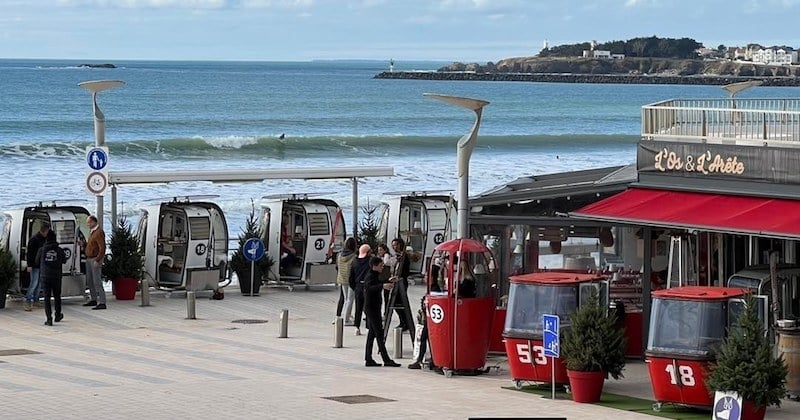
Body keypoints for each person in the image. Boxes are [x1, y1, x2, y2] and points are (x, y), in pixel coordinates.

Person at [363, 256, 401, 368]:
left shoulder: (374, 275)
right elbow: (369, 287)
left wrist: (388, 281)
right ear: (374, 266)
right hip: (372, 308)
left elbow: (377, 283)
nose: (382, 267)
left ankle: (368, 358)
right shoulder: (370, 276)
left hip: (373, 307)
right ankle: (386, 359)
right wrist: (382, 286)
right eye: (380, 265)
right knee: (379, 333)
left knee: (372, 334)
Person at [36, 231, 66, 326]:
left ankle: (49, 319)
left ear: (47, 238)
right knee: (57, 296)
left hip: (45, 276)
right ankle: (58, 314)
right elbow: (64, 261)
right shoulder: (60, 250)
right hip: (56, 276)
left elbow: (36, 261)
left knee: (47, 298)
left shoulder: (42, 250)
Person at [79, 215, 106, 310]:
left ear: (94, 222)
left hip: (95, 258)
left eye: (89, 222)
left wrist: (98, 259)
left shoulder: (99, 233)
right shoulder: (92, 232)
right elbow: (92, 245)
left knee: (97, 280)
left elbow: (102, 248)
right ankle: (93, 298)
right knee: (89, 280)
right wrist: (84, 245)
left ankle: (102, 301)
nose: (88, 225)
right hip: (89, 257)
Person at [24, 222, 50, 311]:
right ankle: (28, 301)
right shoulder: (34, 239)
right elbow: (30, 254)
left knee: (39, 283)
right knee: (34, 283)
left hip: (40, 264)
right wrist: (29, 265)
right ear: (45, 231)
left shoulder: (43, 239)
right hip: (35, 265)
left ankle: (36, 300)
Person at [349, 244, 372, 336]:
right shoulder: (370, 261)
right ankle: (368, 327)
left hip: (358, 286)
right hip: (367, 286)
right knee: (368, 307)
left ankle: (357, 327)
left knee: (358, 307)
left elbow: (351, 277)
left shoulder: (354, 261)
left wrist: (354, 287)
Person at [390, 237, 411, 331]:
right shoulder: (397, 256)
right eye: (393, 245)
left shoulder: (404, 257)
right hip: (396, 281)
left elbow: (405, 270)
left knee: (400, 302)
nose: (394, 247)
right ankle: (403, 321)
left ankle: (405, 322)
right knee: (395, 303)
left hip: (401, 282)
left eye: (395, 245)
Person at [335, 237, 357, 325]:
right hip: (351, 279)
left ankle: (345, 315)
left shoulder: (340, 255)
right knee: (350, 299)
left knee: (345, 298)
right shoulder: (354, 257)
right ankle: (346, 319)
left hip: (342, 278)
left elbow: (337, 266)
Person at [376, 243, 395, 314]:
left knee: (386, 297)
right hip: (380, 279)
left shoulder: (387, 257)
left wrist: (386, 256)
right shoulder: (379, 258)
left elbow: (386, 262)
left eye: (381, 250)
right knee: (379, 298)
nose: (379, 252)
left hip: (386, 279)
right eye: (378, 250)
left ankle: (386, 313)